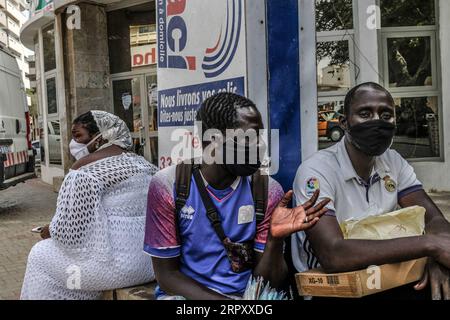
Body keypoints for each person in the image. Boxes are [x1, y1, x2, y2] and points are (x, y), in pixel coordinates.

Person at [144, 93, 329, 300]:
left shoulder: (268, 190)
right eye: (249, 137)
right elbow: (167, 276)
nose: (259, 146)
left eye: (260, 137)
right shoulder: (169, 185)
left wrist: (274, 240)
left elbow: (269, 283)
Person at [291, 82, 450, 300]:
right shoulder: (317, 172)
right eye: (365, 113)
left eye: (386, 115)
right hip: (332, 288)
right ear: (345, 123)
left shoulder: (393, 161)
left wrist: (436, 259)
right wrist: (429, 246)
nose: (377, 121)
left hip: (384, 277)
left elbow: (434, 221)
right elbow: (333, 254)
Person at [21, 111, 158, 300]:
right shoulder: (147, 166)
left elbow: (70, 234)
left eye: (78, 136)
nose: (73, 144)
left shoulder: (85, 172)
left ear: (100, 138)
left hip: (117, 269)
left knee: (40, 254)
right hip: (149, 265)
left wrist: (48, 231)